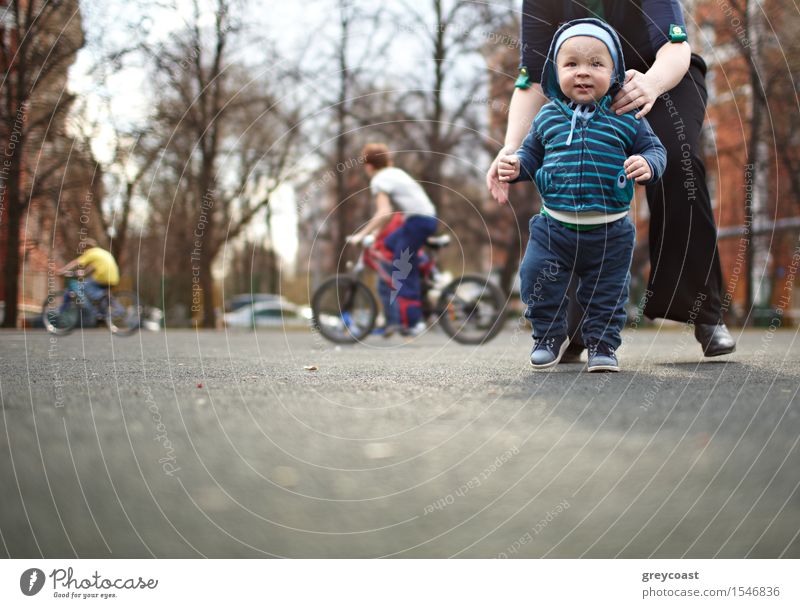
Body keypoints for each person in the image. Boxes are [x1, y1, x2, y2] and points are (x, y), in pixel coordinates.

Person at [487, 0, 736, 360]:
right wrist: (510, 149)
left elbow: (675, 45)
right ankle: (577, 323)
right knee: (574, 162)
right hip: (581, 82)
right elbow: (534, 78)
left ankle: (704, 311)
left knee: (674, 157)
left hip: (658, 76)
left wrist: (649, 84)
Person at [498, 18, 666, 371]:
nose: (583, 72)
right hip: (553, 227)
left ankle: (603, 348)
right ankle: (546, 337)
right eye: (571, 64)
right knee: (536, 278)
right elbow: (530, 156)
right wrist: (514, 167)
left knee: (607, 295)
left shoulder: (627, 116)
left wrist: (647, 164)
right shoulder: (547, 117)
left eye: (596, 63)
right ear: (555, 71)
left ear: (615, 70)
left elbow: (656, 150)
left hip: (610, 231)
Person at [349, 143, 438, 334]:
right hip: (423, 219)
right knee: (389, 243)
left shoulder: (379, 179)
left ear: (369, 167)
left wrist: (362, 235)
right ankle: (421, 268)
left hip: (418, 222)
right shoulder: (395, 172)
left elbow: (385, 211)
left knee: (402, 269)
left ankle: (414, 323)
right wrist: (375, 235)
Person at [58, 238, 120, 323]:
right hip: (114, 277)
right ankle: (103, 315)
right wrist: (80, 273)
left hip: (103, 276)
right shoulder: (102, 253)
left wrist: (63, 270)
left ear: (87, 247)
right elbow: (91, 268)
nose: (83, 252)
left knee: (85, 286)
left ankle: (102, 296)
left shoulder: (91, 252)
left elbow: (76, 262)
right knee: (95, 290)